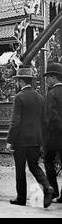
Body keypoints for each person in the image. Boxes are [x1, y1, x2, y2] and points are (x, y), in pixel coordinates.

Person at [6, 67, 53, 208]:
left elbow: (15, 122)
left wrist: (10, 141)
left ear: (20, 81)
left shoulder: (19, 97)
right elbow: (45, 122)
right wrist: (42, 140)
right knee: (34, 165)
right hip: (36, 139)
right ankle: (47, 187)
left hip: (21, 140)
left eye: (17, 81)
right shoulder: (40, 98)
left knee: (20, 168)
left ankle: (21, 198)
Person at [42, 62, 62, 203]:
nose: (46, 80)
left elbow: (51, 117)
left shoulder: (52, 94)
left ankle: (54, 192)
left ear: (54, 77)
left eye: (48, 77)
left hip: (54, 137)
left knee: (48, 162)